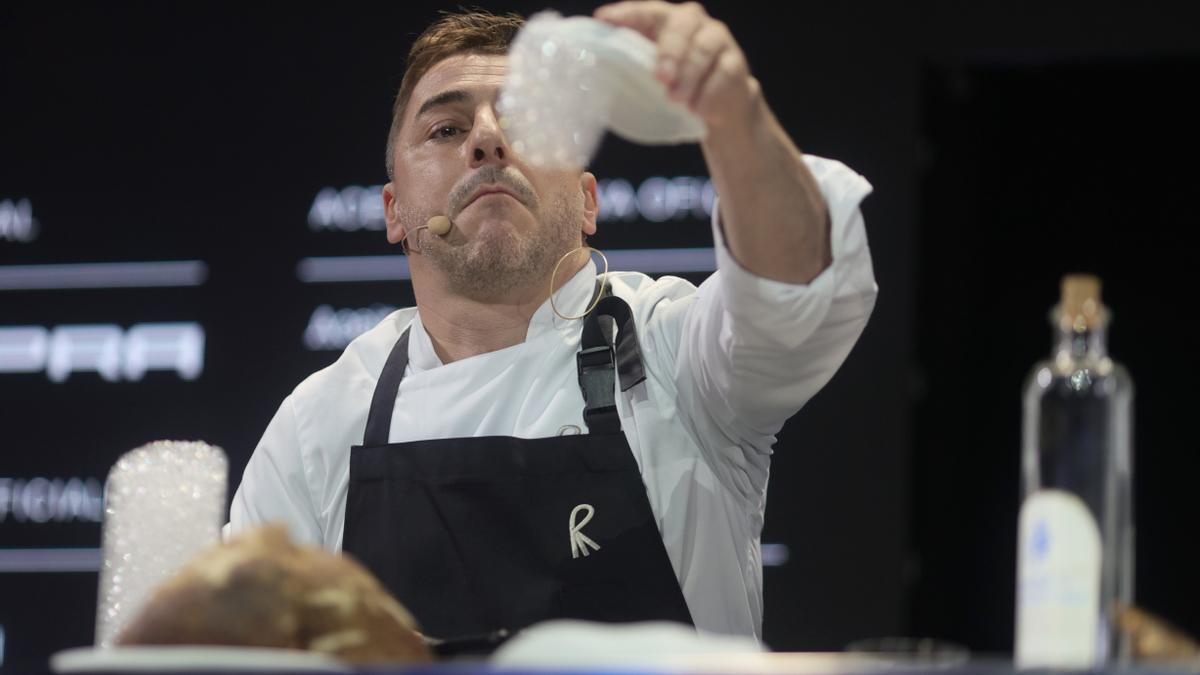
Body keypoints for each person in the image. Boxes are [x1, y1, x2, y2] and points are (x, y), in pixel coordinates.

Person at [228, 1, 877, 643]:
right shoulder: (318, 428)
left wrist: (735, 116)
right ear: (393, 212)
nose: (488, 137)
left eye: (525, 119)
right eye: (447, 130)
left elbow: (795, 294)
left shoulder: (671, 349)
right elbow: (236, 651)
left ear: (588, 199)